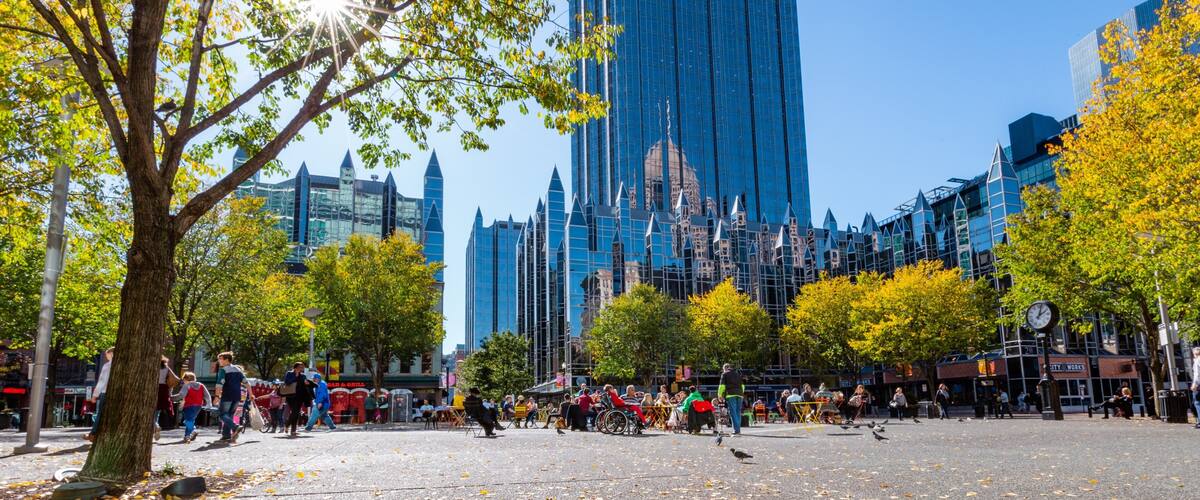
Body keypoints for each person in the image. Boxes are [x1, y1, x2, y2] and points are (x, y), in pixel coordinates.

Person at [213, 352, 246, 443]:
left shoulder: (223, 370)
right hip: (237, 396)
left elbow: (219, 384)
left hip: (227, 395)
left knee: (222, 414)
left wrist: (216, 396)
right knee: (229, 415)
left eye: (220, 359)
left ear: (227, 359)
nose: (219, 361)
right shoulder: (238, 370)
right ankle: (226, 435)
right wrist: (250, 394)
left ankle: (235, 427)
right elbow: (246, 382)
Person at [85, 347, 114, 442]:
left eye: (107, 354)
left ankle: (93, 434)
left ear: (111, 354)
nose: (106, 357)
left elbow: (102, 381)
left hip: (105, 392)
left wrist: (95, 395)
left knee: (100, 414)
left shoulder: (107, 366)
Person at [173, 372, 211, 443]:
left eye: (184, 379)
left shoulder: (187, 385)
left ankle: (190, 433)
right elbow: (207, 395)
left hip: (189, 406)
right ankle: (190, 434)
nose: (183, 381)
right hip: (198, 406)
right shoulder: (201, 385)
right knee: (190, 420)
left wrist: (171, 398)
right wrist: (209, 404)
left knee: (187, 421)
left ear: (186, 379)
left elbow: (181, 395)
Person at [282, 362, 313, 437]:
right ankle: (289, 427)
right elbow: (287, 382)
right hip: (291, 396)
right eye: (300, 367)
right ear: (295, 367)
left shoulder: (303, 376)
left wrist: (307, 383)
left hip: (300, 397)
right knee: (295, 412)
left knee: (296, 413)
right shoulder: (289, 373)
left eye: (302, 367)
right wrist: (295, 376)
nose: (301, 369)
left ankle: (291, 429)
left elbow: (305, 385)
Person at [154, 356, 179, 442]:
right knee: (157, 412)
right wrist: (169, 392)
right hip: (164, 389)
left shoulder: (153, 366)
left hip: (154, 389)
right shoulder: (166, 368)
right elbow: (174, 379)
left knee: (151, 411)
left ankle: (155, 426)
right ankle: (155, 426)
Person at [717, 363, 745, 435]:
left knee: (733, 412)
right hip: (740, 394)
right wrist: (741, 393)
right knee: (738, 412)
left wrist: (720, 395)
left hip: (731, 394)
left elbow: (722, 386)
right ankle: (738, 429)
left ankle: (736, 430)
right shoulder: (738, 374)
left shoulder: (724, 374)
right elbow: (742, 386)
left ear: (725, 368)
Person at [1192, 346, 1200, 429]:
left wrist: (1195, 384)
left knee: (1197, 403)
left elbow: (1197, 374)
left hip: (1199, 385)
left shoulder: (1197, 361)